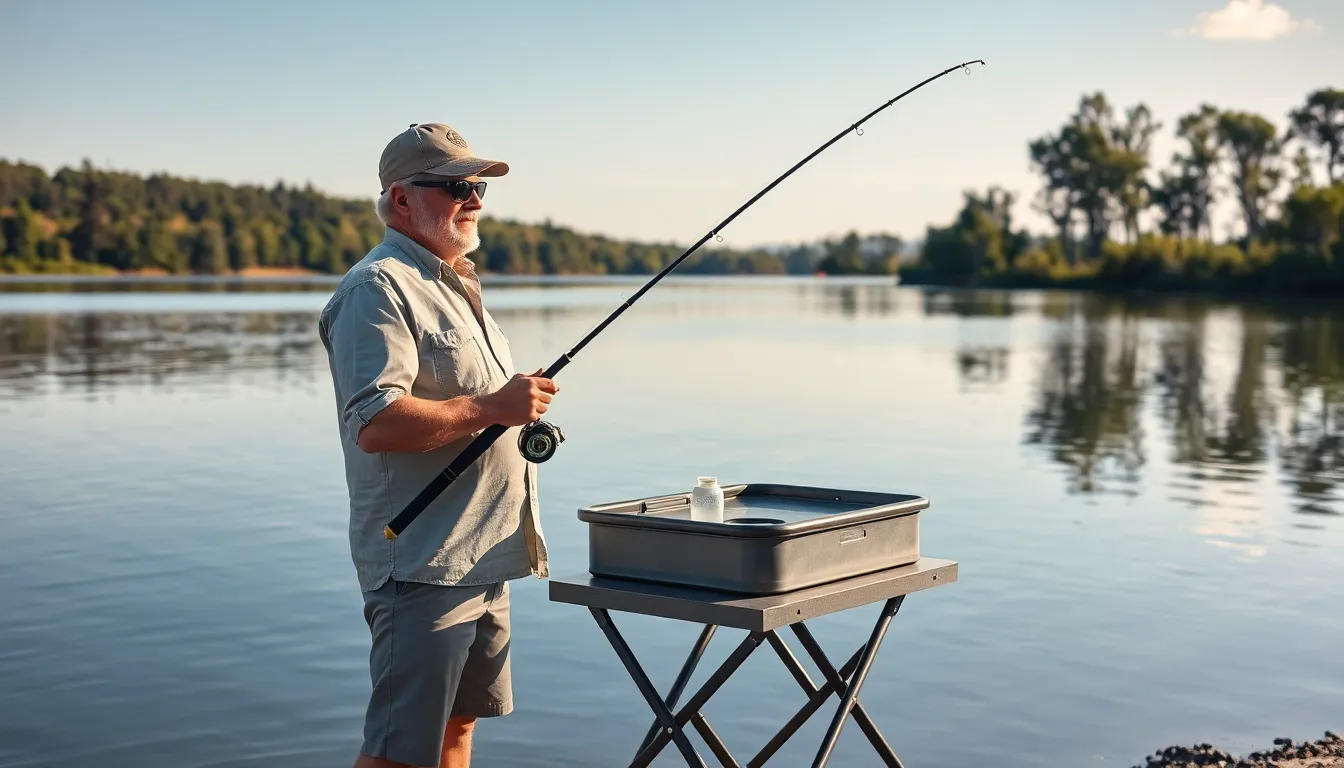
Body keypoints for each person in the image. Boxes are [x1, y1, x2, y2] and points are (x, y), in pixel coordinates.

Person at [318, 122, 558, 768]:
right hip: (424, 567)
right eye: (456, 186)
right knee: (399, 754)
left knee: (457, 734)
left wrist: (514, 411)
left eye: (477, 186)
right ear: (401, 200)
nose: (475, 199)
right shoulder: (376, 290)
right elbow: (377, 424)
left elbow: (476, 409)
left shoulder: (455, 283)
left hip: (487, 557)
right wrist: (492, 408)